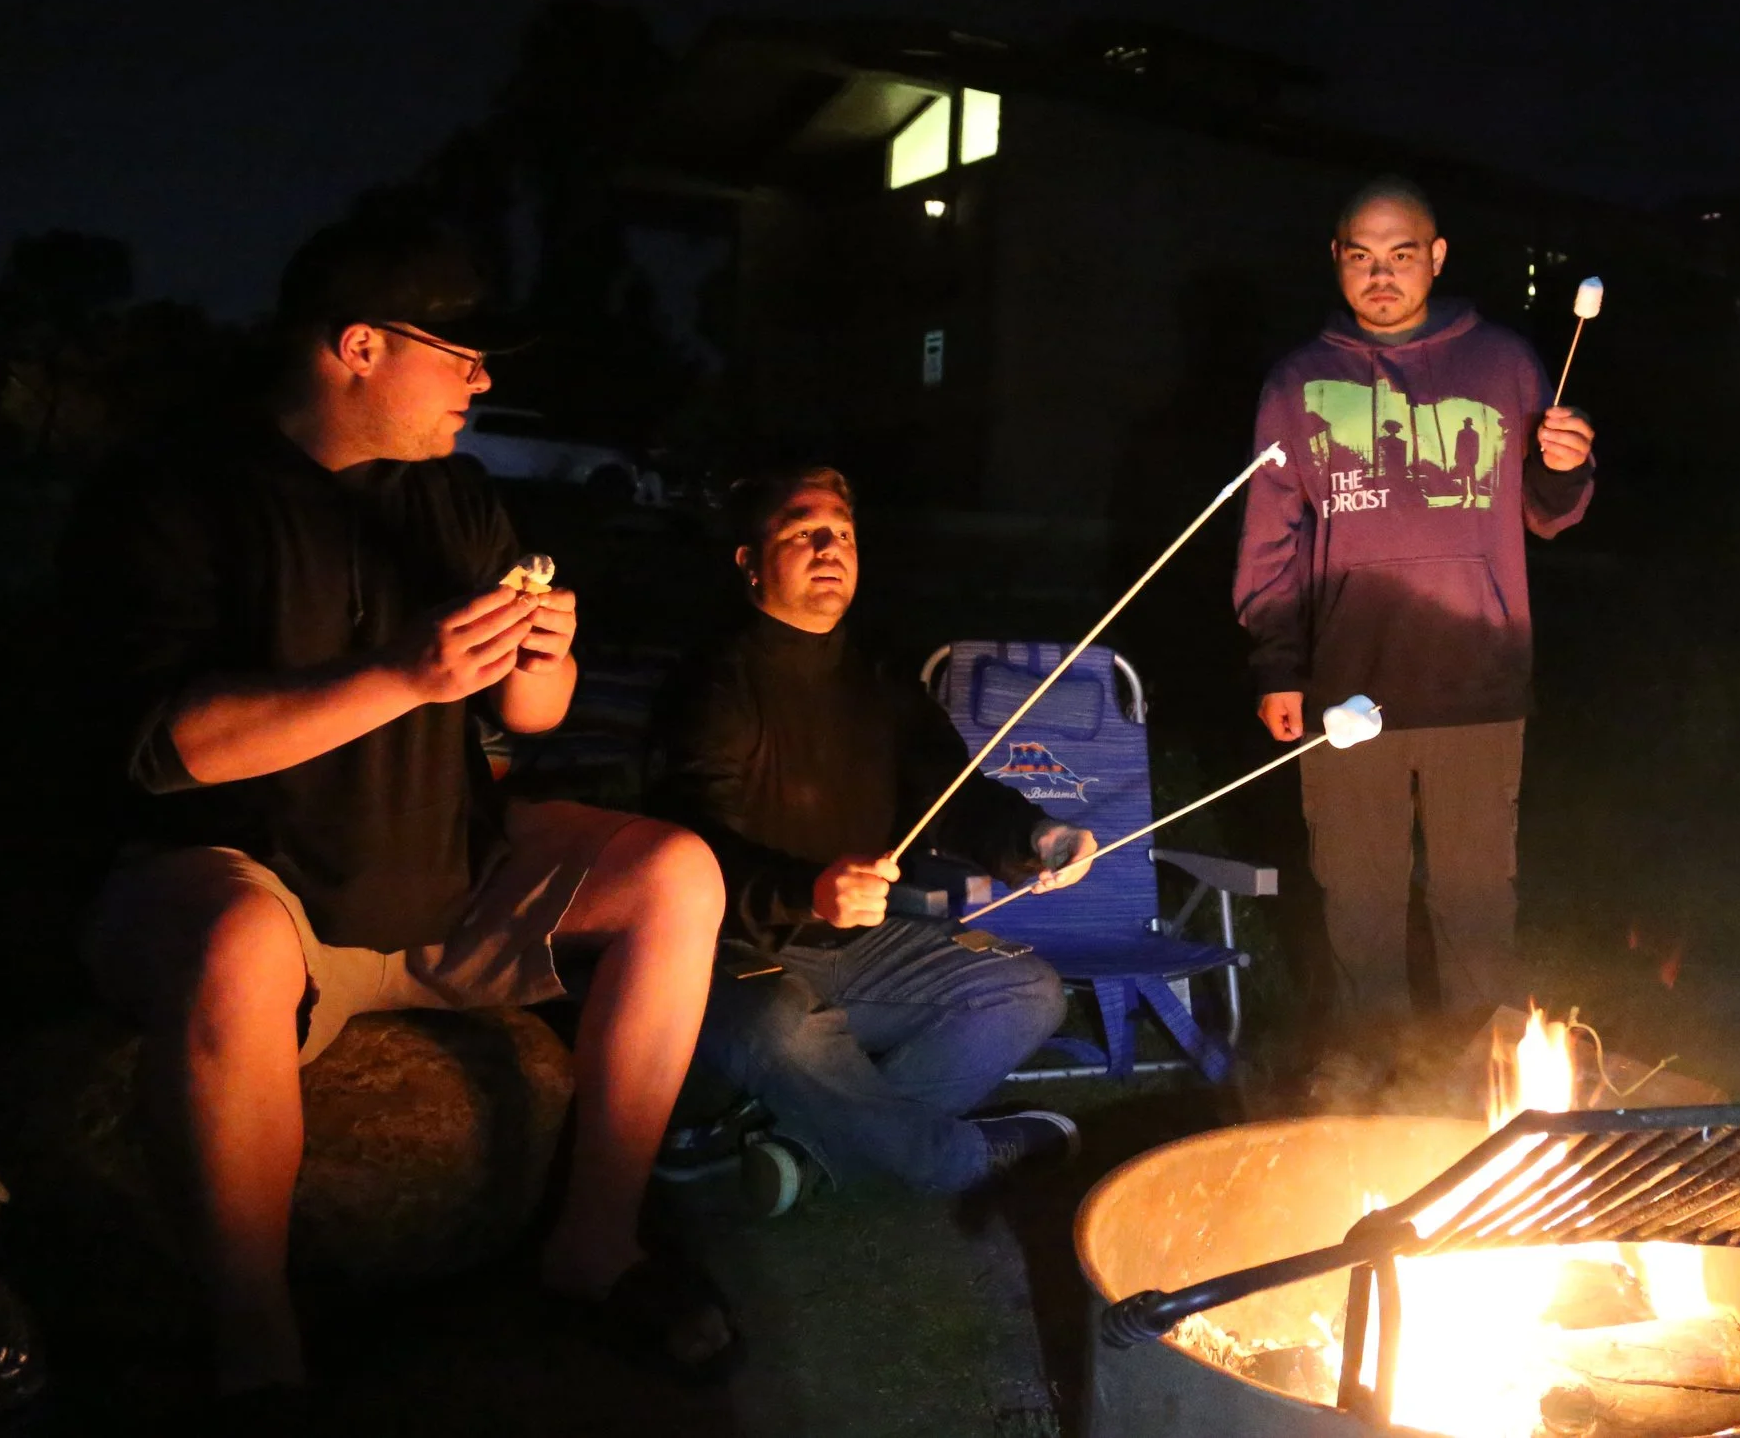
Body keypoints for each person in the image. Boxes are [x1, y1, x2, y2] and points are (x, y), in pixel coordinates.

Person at [62, 204, 741, 1409]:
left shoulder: (456, 496)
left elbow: (532, 720)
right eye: (456, 349)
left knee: (677, 870)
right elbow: (166, 744)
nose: (481, 378)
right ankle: (257, 1347)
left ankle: (598, 1241)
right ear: (359, 345)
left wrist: (540, 659)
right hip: (258, 883)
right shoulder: (182, 491)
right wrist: (402, 676)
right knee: (226, 938)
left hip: (441, 875)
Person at [649, 467, 1094, 1195]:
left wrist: (1036, 833)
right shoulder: (712, 680)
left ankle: (796, 1150)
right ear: (749, 561)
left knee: (1028, 989)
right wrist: (807, 890)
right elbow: (689, 844)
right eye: (802, 531)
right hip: (726, 953)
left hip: (859, 949)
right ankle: (954, 1160)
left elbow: (948, 790)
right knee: (781, 1026)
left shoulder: (877, 671)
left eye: (844, 533)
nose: (831, 546)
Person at [1233, 177, 1597, 1039]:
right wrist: (1277, 663)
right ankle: (1376, 1091)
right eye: (1362, 256)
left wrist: (1565, 461)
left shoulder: (1503, 361)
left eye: (1401, 255)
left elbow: (1549, 511)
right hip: (1347, 690)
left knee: (1476, 913)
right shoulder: (1297, 379)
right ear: (1337, 259)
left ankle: (1482, 1100)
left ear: (1436, 257)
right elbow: (1268, 537)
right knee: (1359, 909)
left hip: (1478, 682)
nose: (1381, 274)